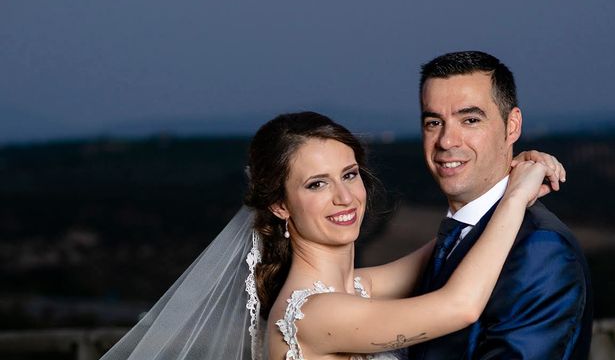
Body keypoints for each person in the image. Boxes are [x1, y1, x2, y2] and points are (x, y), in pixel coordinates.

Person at [100, 111, 565, 360]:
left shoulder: (355, 288)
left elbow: (454, 245)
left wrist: (505, 180)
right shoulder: (311, 313)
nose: (345, 198)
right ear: (280, 205)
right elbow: (461, 307)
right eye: (316, 184)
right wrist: (514, 199)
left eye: (349, 174)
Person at [409, 51, 593, 360]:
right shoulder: (456, 236)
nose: (446, 141)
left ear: (512, 126)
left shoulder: (541, 249)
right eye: (433, 122)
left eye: (470, 120)